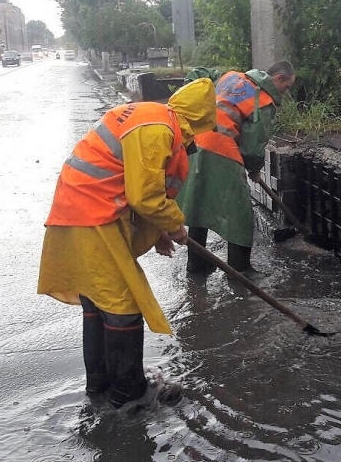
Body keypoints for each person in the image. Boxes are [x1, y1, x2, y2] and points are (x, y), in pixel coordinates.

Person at [37, 78, 217, 409]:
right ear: (198, 120)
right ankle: (129, 395)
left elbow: (133, 181)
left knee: (97, 300)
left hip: (80, 210)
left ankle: (101, 388)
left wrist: (160, 231)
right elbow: (145, 195)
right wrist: (175, 225)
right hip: (93, 215)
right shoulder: (159, 131)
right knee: (123, 305)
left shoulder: (151, 116)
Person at [176, 61, 296, 277]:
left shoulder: (232, 77)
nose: (284, 93)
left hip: (195, 142)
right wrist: (253, 168)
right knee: (240, 211)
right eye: (286, 87)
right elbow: (253, 143)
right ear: (277, 77)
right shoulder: (263, 100)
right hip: (221, 148)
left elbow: (198, 73)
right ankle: (239, 268)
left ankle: (196, 264)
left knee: (198, 203)